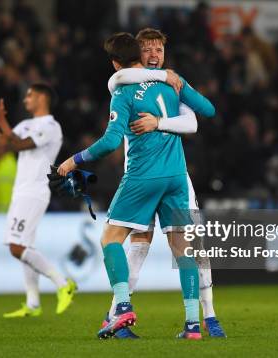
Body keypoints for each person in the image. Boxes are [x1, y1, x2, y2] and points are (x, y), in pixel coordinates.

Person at [57, 32, 215, 340]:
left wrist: (74, 160)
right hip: (177, 177)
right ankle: (194, 325)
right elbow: (207, 111)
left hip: (143, 176)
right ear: (140, 56)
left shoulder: (124, 91)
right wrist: (173, 84)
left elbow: (112, 142)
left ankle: (123, 308)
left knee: (110, 239)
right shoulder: (171, 83)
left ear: (116, 63)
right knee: (182, 250)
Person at [102, 27, 225, 338]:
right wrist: (163, 75)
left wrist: (159, 122)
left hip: (171, 175)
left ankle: (208, 316)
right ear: (136, 55)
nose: (155, 55)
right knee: (139, 248)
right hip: (145, 173)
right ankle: (118, 313)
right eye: (148, 50)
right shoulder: (138, 82)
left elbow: (198, 118)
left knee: (195, 246)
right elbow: (119, 78)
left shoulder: (173, 82)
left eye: (160, 50)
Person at [0, 83, 76, 318]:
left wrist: (2, 119)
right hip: (21, 190)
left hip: (35, 191)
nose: (25, 100)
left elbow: (20, 144)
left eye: (30, 95)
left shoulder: (51, 126)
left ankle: (63, 283)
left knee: (16, 247)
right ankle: (33, 303)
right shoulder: (25, 125)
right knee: (26, 246)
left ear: (43, 98)